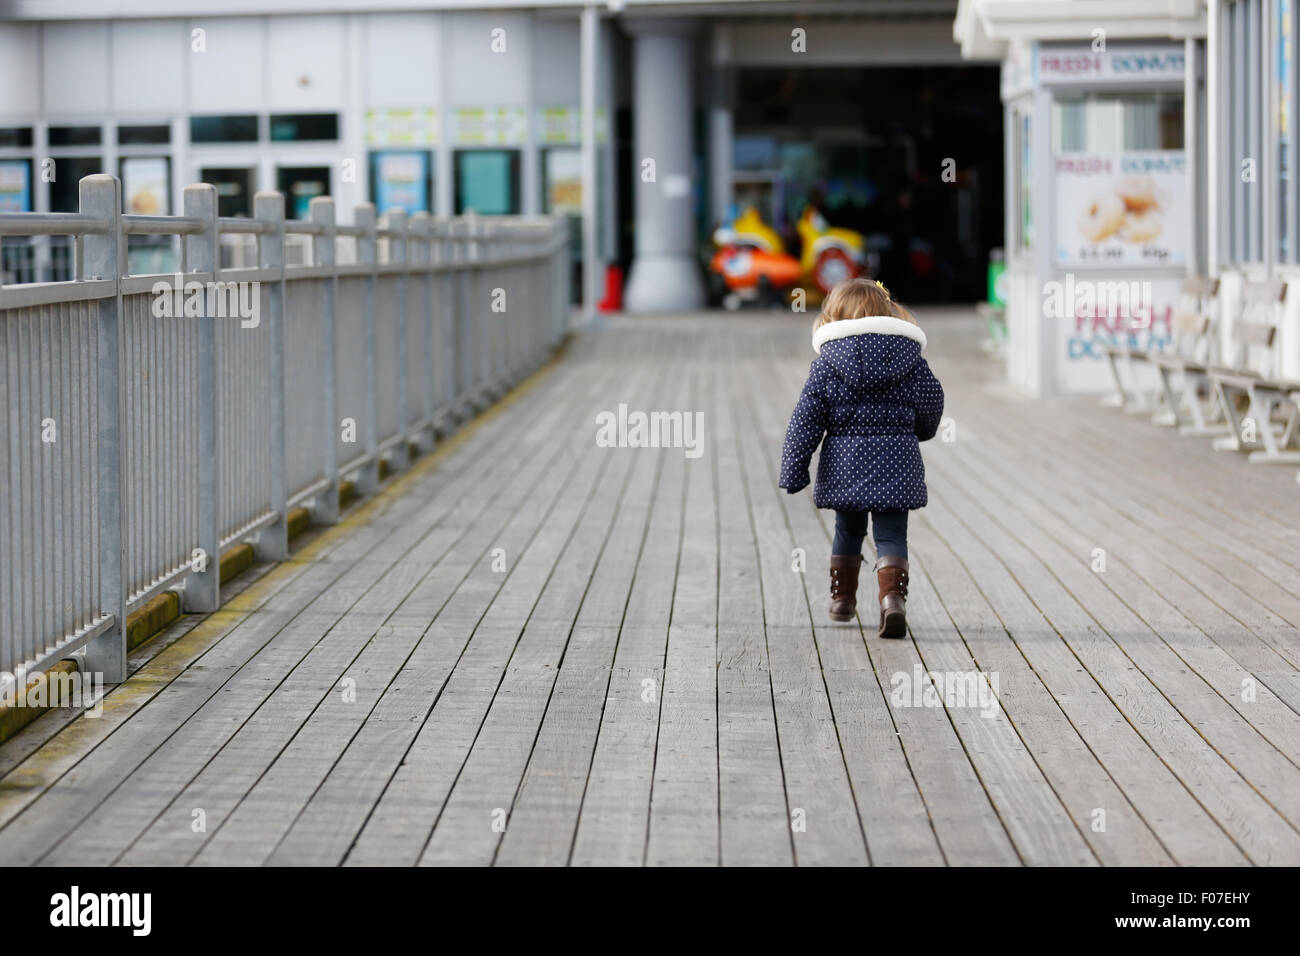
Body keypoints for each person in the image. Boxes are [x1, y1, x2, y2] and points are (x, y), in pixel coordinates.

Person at [779, 277, 944, 637]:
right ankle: (892, 602)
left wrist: (794, 469)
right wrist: (922, 430)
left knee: (847, 530)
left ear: (834, 315)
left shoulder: (827, 364)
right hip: (896, 461)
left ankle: (842, 599)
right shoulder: (910, 359)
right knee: (891, 536)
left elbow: (804, 420)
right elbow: (933, 401)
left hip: (845, 465)